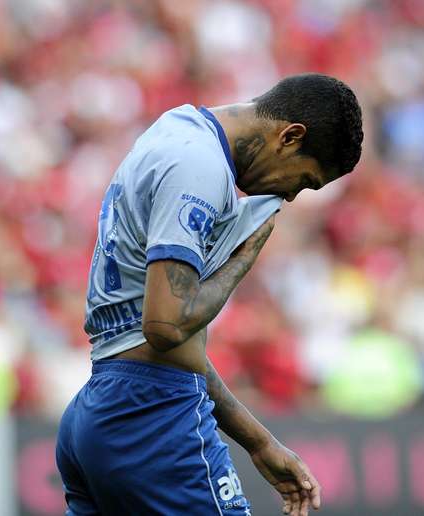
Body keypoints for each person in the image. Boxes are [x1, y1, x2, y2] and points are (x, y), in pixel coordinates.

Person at [55, 73, 364, 516]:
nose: (292, 195)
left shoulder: (176, 129)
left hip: (104, 408)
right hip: (151, 417)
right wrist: (243, 258)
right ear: (291, 136)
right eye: (306, 180)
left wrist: (259, 443)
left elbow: (172, 343)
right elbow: (165, 327)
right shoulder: (199, 166)